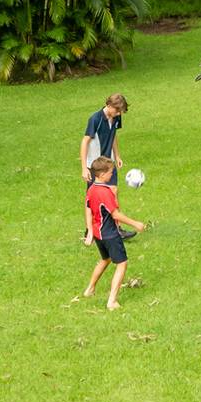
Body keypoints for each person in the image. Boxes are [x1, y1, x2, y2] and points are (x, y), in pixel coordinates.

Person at [82, 156, 148, 310]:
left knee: (106, 259)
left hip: (98, 233)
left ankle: (90, 289)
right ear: (102, 174)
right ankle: (112, 301)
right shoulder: (105, 192)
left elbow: (88, 208)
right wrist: (136, 224)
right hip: (110, 234)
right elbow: (116, 215)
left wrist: (90, 231)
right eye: (110, 172)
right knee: (122, 264)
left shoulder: (91, 189)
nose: (112, 175)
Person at [78, 94, 128, 244]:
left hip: (109, 163)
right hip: (96, 165)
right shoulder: (95, 119)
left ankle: (117, 229)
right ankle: (90, 230)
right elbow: (85, 142)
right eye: (117, 111)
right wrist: (84, 168)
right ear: (109, 105)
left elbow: (113, 135)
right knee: (92, 198)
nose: (119, 114)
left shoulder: (116, 117)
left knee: (113, 193)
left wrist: (117, 156)